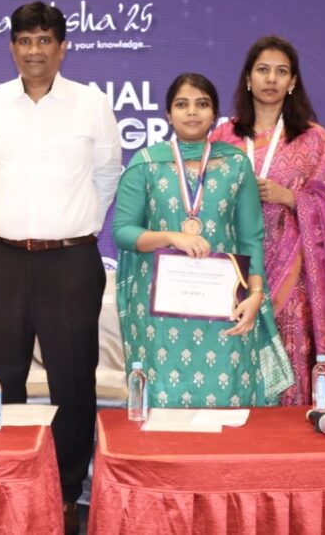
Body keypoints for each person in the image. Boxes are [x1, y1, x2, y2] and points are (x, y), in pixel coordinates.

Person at [0, 1, 121, 532]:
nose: (35, 50)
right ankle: (11, 483)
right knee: (1, 377)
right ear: (12, 47)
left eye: (45, 40)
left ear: (62, 47)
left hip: (70, 261)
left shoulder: (91, 105)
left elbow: (107, 175)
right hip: (2, 259)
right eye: (25, 40)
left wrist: (73, 227)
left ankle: (68, 492)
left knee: (72, 381)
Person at [209, 36, 325, 405]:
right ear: (248, 78)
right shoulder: (224, 137)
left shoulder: (314, 139)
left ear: (293, 82)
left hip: (296, 276)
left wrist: (290, 198)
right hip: (237, 270)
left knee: (291, 352)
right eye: (263, 70)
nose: (271, 79)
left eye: (281, 71)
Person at [114, 73, 294, 409]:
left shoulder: (236, 164)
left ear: (215, 115)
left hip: (225, 304)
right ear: (168, 114)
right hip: (160, 309)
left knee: (227, 398)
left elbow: (251, 238)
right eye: (182, 104)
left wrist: (255, 295)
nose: (192, 112)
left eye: (202, 104)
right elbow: (122, 232)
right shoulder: (146, 163)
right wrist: (171, 236)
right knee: (164, 402)